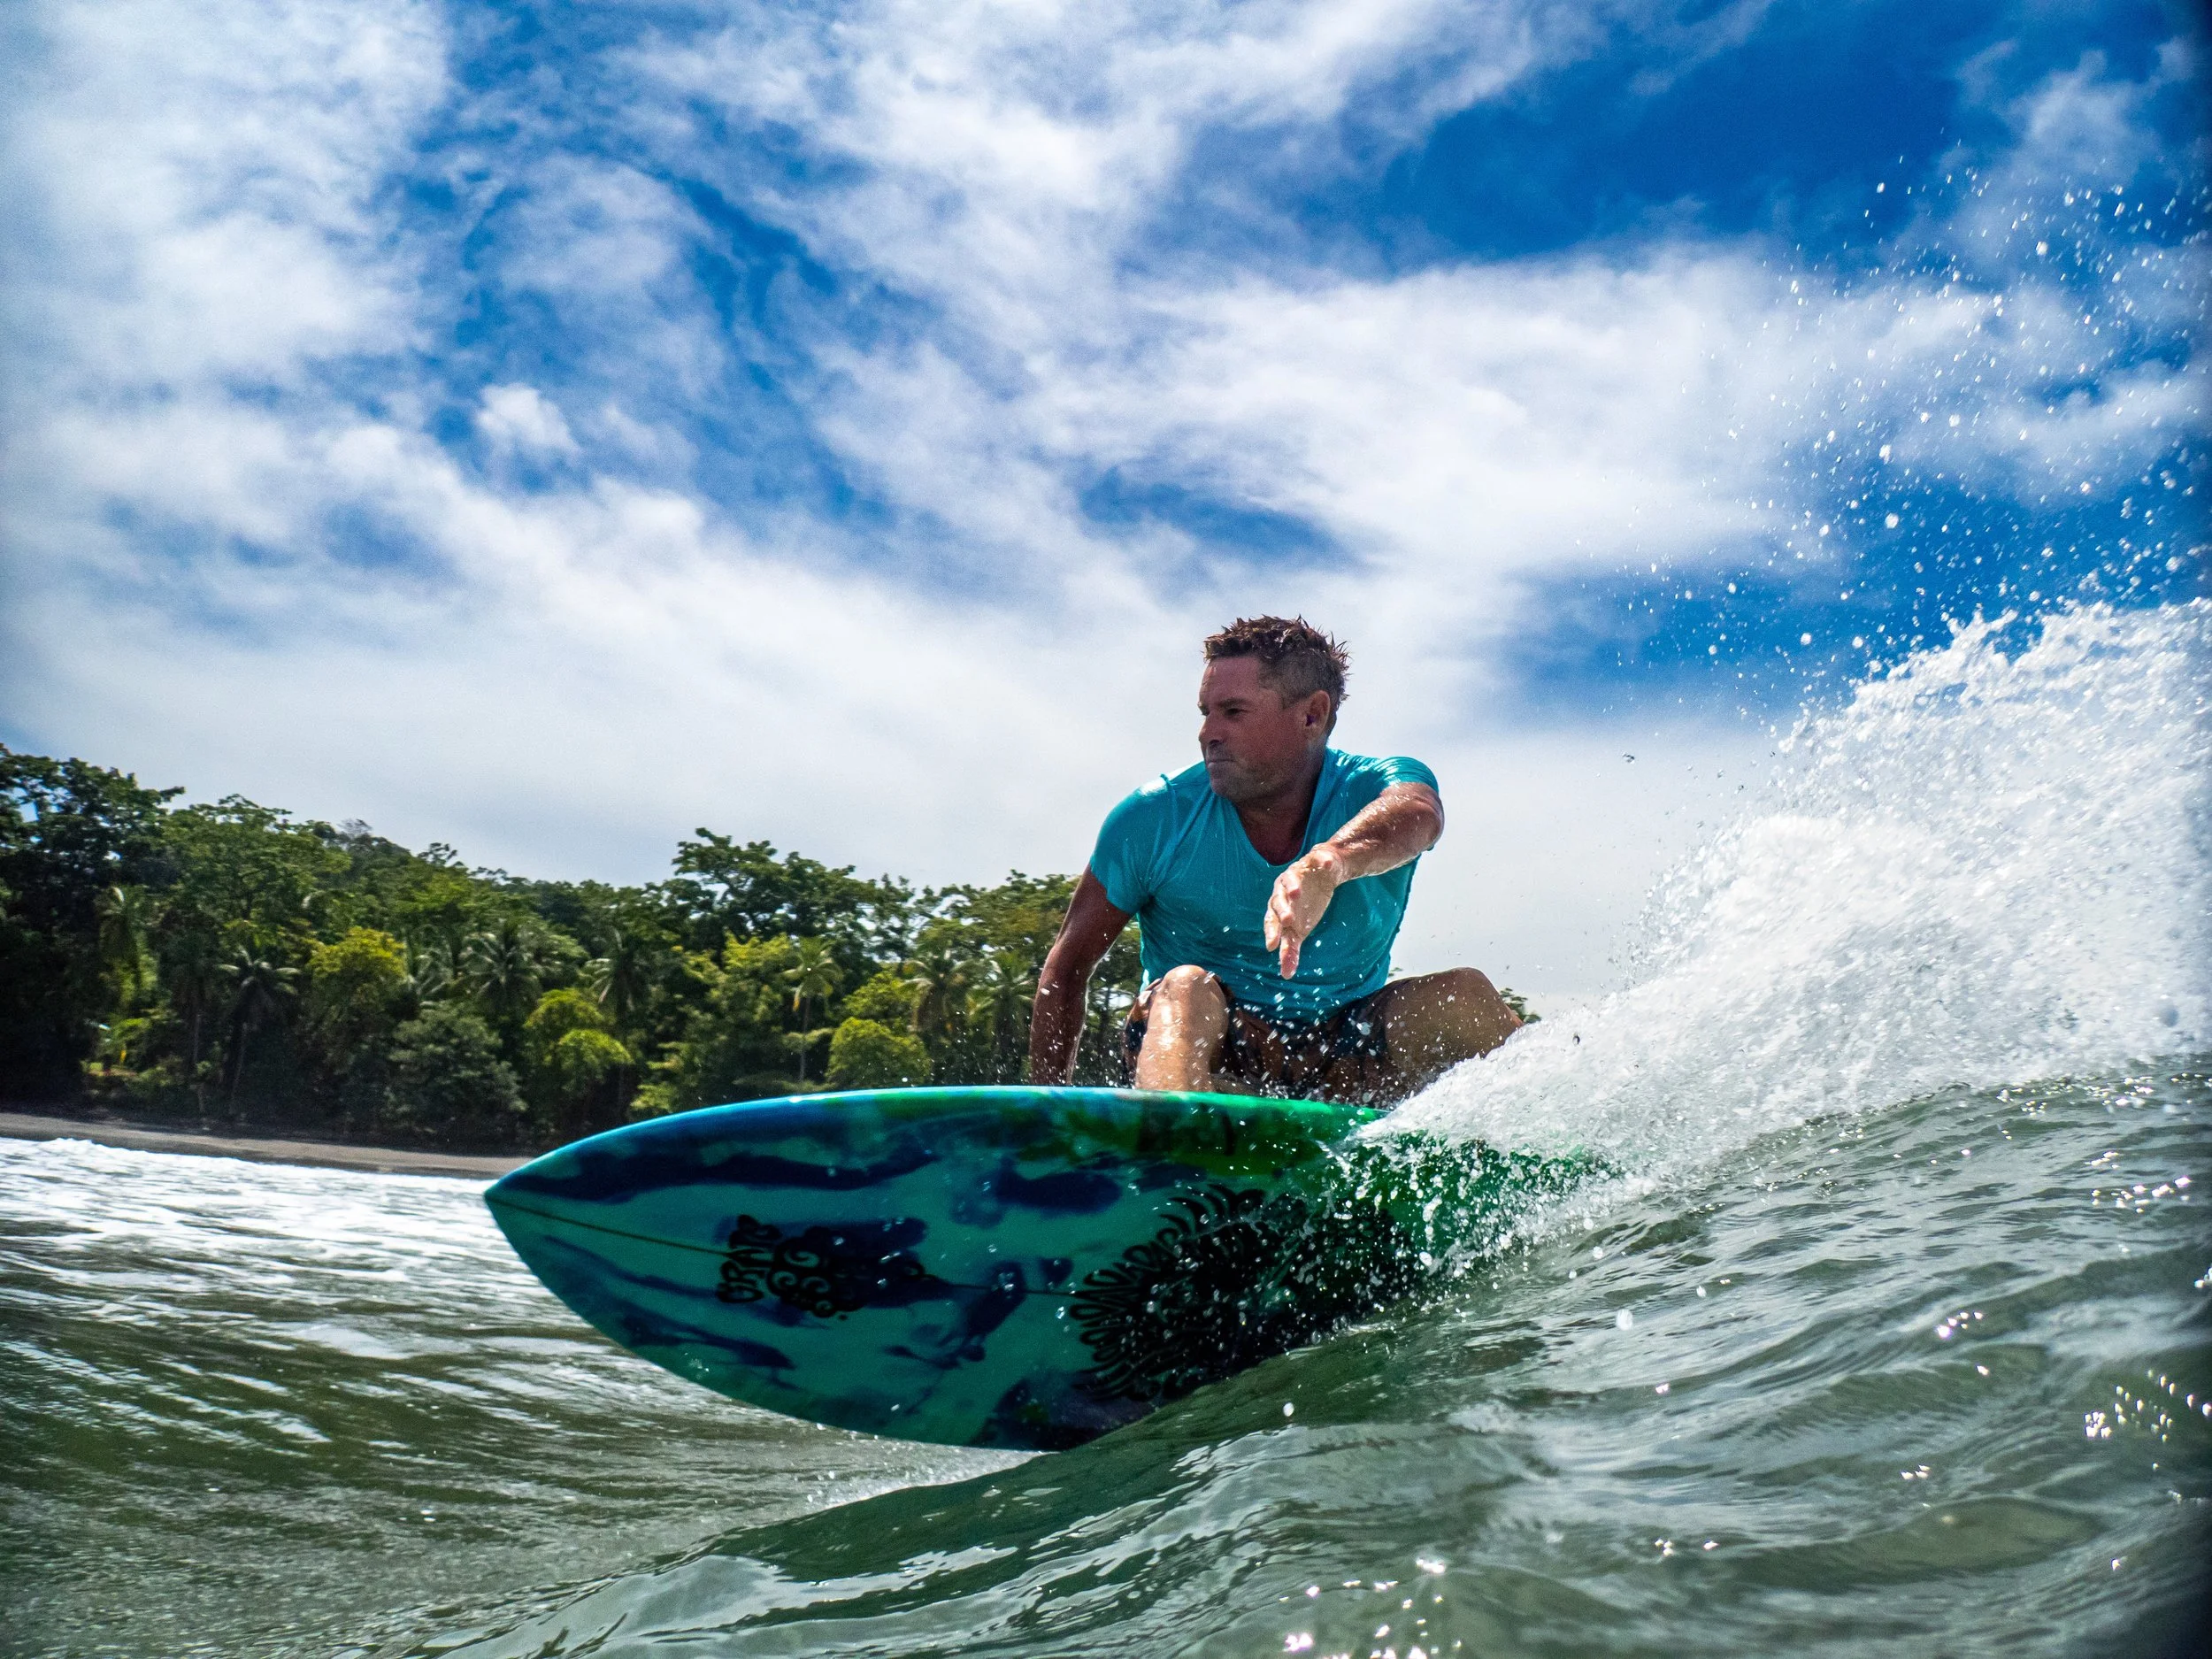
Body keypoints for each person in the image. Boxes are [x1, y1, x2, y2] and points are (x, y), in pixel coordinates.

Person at [1028, 615, 1523, 1106]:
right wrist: (1047, 1113)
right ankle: (1176, 1145)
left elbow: (1420, 812)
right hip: (1208, 1048)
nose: (1207, 733)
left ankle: (1560, 1151)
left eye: (1233, 712)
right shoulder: (1154, 816)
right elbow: (1067, 968)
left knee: (1465, 997)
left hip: (1345, 1051)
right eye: (1206, 712)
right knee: (1185, 987)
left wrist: (1329, 863)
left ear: (1312, 715)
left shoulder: (1374, 786)